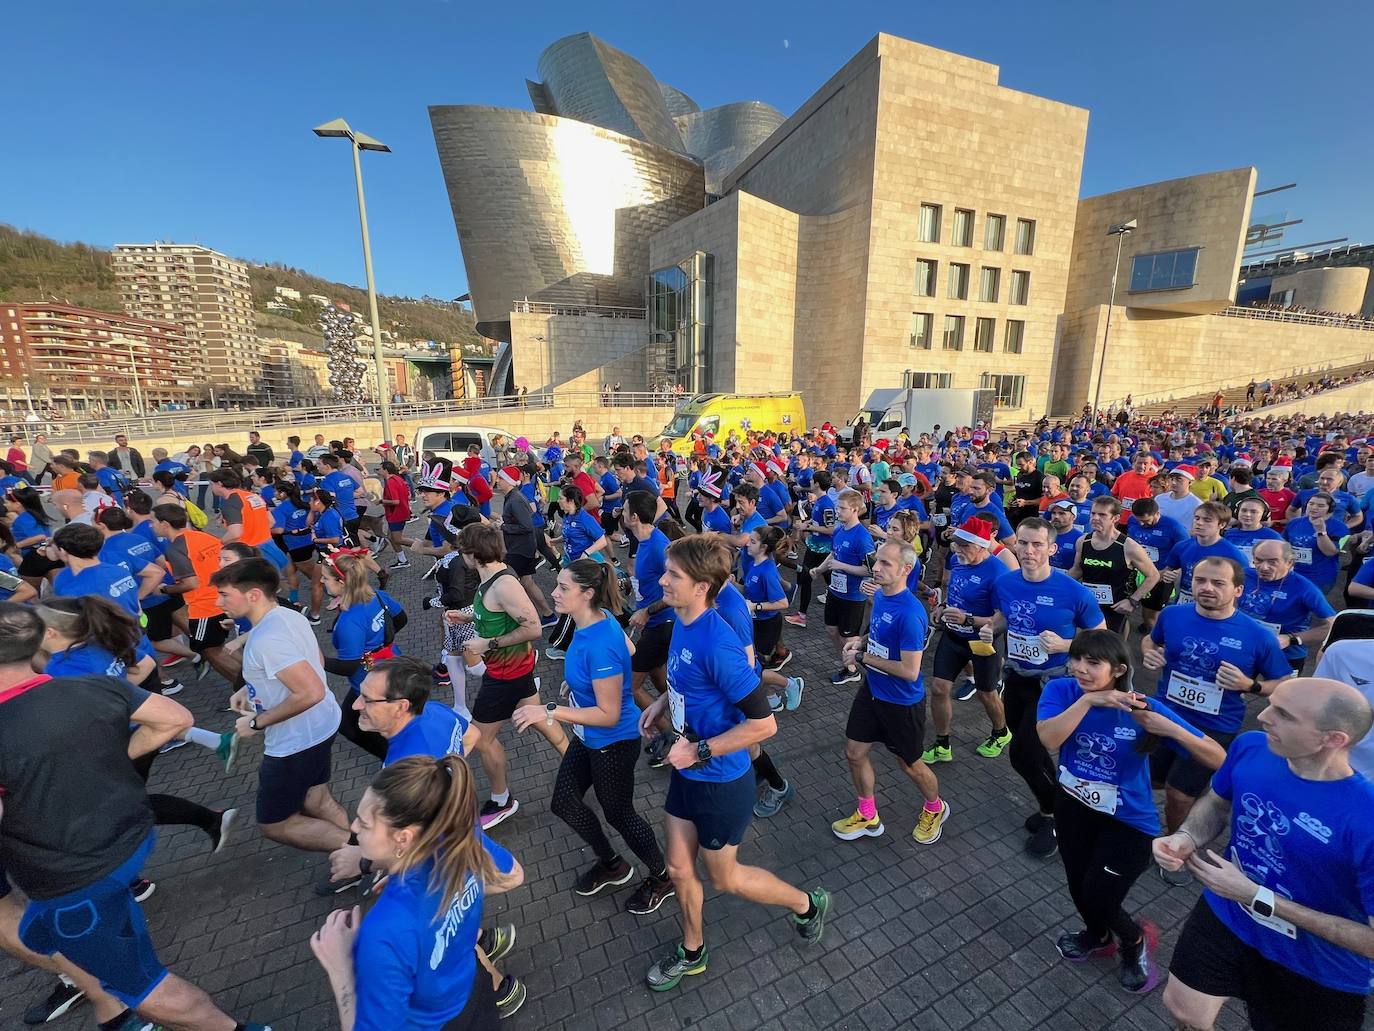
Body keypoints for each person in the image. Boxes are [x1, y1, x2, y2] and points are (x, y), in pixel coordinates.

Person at [0, 603, 271, 1031]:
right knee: (48, 934)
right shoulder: (90, 687)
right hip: (128, 841)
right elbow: (176, 719)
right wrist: (106, 761)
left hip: (73, 878)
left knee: (144, 988)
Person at [639, 535, 830, 991]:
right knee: (681, 868)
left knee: (725, 879)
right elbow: (689, 679)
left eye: (673, 576)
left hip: (721, 781)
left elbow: (764, 726)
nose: (662, 580)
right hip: (687, 771)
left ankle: (807, 903)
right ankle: (692, 950)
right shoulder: (683, 618)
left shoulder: (719, 642)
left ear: (702, 587)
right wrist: (663, 700)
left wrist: (698, 750)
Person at [1155, 678, 1374, 1031]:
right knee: (1184, 1010)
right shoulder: (1251, 749)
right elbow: (1217, 802)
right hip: (1228, 914)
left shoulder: (1366, 818)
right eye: (1270, 704)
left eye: (1283, 715)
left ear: (1332, 739)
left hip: (1315, 965)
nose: (1263, 717)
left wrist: (1258, 897)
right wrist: (1186, 836)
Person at [1036, 630, 1225, 994]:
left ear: (1119, 669)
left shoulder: (1142, 707)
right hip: (1074, 808)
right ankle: (1097, 935)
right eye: (1076, 659)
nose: (1080, 668)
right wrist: (1090, 702)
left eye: (1093, 663)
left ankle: (1133, 940)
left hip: (1128, 821)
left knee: (1099, 894)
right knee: (1078, 886)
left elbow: (1218, 757)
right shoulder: (1061, 692)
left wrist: (1168, 728)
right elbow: (1048, 739)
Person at [309, 756, 525, 1030]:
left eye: (364, 823)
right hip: (475, 993)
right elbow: (512, 875)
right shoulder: (459, 847)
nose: (353, 828)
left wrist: (341, 969)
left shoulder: (383, 933)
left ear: (403, 838)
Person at [512, 559, 674, 914]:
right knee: (565, 802)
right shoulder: (592, 622)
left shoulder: (598, 641)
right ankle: (613, 864)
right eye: (556, 585)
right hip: (590, 739)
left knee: (620, 815)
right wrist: (582, 682)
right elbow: (629, 652)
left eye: (563, 589)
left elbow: (609, 713)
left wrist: (550, 711)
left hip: (612, 743)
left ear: (587, 594)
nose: (553, 593)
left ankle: (663, 877)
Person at [1141, 556, 1292, 882]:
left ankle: (1176, 847)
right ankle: (1148, 827)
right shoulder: (1172, 615)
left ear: (1238, 590)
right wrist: (1149, 653)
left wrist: (1251, 685)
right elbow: (1150, 641)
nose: (1206, 588)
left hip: (1213, 725)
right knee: (1145, 777)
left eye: (1218, 583)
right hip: (1163, 713)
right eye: (1200, 580)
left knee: (1179, 794)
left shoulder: (1257, 636)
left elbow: (1285, 682)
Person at [986, 517, 1107, 858]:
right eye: (1023, 543)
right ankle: (1056, 805)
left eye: (1037, 544)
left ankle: (1055, 814)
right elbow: (1006, 617)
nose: (1028, 550)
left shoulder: (1072, 590)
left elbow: (1102, 637)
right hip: (1016, 676)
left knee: (1022, 756)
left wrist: (1067, 645)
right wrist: (991, 629)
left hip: (1053, 684)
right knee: (1034, 752)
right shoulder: (1006, 583)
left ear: (1052, 549)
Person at [212, 558, 351, 854]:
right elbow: (317, 664)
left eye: (224, 595)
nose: (217, 601)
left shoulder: (267, 639)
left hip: (295, 742)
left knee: (275, 824)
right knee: (318, 801)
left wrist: (256, 723)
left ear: (253, 595)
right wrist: (253, 693)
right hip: (321, 725)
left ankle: (367, 855)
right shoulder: (286, 616)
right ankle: (359, 851)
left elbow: (310, 691)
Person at [831, 539, 949, 844]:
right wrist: (861, 639)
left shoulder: (910, 613)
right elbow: (879, 633)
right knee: (854, 753)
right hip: (873, 691)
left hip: (901, 703)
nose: (877, 568)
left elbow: (910, 671)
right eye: (877, 561)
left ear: (906, 570)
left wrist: (862, 657)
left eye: (886, 564)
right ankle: (868, 814)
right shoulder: (882, 595)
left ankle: (935, 808)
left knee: (909, 764)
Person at [454, 522, 567, 829]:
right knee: (539, 718)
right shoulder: (490, 575)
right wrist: (466, 615)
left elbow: (532, 628)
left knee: (480, 738)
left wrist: (486, 643)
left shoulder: (503, 583)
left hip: (506, 675)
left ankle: (501, 800)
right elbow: (498, 613)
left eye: (461, 549)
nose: (459, 554)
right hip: (514, 669)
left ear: (473, 553)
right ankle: (580, 764)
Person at [926, 518, 1012, 763]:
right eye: (956, 544)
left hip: (983, 643)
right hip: (954, 636)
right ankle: (942, 743)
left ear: (982, 546)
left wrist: (968, 619)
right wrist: (942, 607)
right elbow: (954, 594)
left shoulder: (998, 572)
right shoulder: (956, 560)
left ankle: (1001, 732)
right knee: (939, 688)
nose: (957, 550)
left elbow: (1001, 618)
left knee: (986, 694)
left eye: (964, 546)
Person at [320, 548, 407, 762]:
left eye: (324, 578)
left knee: (352, 727)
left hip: (369, 680)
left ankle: (396, 762)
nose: (321, 582)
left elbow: (348, 666)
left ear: (342, 583)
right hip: (392, 664)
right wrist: (380, 643)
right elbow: (401, 618)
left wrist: (319, 660)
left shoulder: (349, 622)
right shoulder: (377, 595)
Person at [1241, 539, 1336, 674]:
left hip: (1286, 654)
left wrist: (1291, 639)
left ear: (1289, 563)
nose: (1263, 567)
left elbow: (1334, 626)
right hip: (1247, 646)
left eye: (1272, 562)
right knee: (1235, 689)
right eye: (1259, 560)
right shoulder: (1244, 575)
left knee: (1283, 694)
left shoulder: (1304, 588)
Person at [1070, 495, 1160, 636]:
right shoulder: (1083, 541)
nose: (1095, 518)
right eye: (1093, 513)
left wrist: (1132, 601)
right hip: (1089, 604)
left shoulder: (1128, 546)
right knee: (1086, 644)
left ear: (1115, 518)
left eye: (1102, 515)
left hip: (1115, 608)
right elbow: (1077, 570)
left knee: (1110, 650)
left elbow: (1153, 575)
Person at [815, 489, 875, 686]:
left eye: (842, 508)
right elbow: (834, 554)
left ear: (855, 510)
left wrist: (842, 567)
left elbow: (870, 570)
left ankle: (851, 668)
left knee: (848, 637)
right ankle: (848, 662)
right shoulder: (839, 530)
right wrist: (819, 569)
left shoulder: (863, 537)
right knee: (832, 631)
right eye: (837, 507)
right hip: (835, 591)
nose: (837, 511)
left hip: (853, 596)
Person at [492, 464, 552, 622]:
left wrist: (503, 526)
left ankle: (521, 619)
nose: (497, 481)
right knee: (527, 582)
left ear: (509, 481)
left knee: (505, 583)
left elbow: (526, 526)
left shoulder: (515, 499)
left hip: (520, 549)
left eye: (500, 478)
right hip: (521, 547)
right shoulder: (512, 496)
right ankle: (548, 615)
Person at [377, 460, 412, 569]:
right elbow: (409, 495)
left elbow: (396, 501)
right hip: (400, 512)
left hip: (396, 514)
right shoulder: (398, 479)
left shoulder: (391, 482)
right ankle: (402, 560)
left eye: (380, 469)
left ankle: (423, 546)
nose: (378, 470)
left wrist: (382, 501)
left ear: (386, 470)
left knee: (397, 539)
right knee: (391, 537)